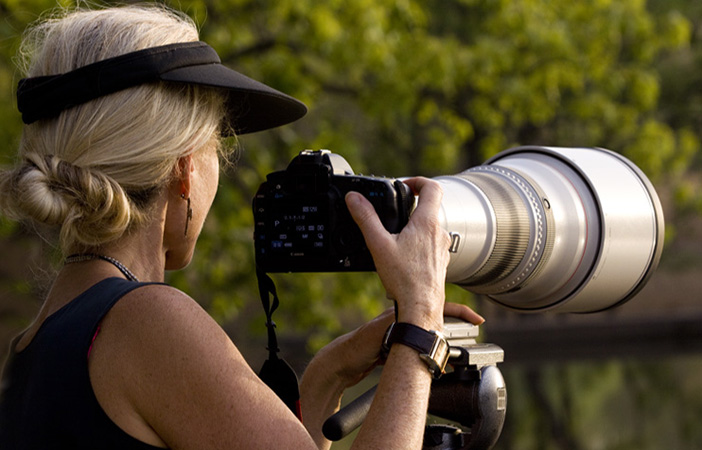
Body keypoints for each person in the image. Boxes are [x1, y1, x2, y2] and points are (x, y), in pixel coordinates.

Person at [0, 4, 484, 449]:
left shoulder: (31, 346)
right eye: (218, 143)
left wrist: (328, 375)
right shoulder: (147, 320)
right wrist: (419, 320)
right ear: (185, 168)